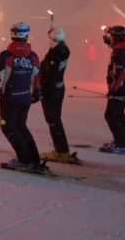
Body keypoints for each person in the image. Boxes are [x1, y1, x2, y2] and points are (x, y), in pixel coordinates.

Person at [0, 22, 43, 170]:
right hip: (25, 97)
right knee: (21, 126)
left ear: (12, 35)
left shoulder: (6, 55)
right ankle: (33, 158)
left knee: (9, 128)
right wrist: (37, 90)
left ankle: (25, 160)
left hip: (10, 98)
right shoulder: (33, 55)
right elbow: (37, 75)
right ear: (26, 35)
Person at [39, 27, 74, 163]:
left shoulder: (54, 55)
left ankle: (61, 151)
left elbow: (49, 76)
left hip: (51, 90)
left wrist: (41, 87)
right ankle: (62, 149)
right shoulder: (63, 49)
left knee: (53, 120)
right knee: (55, 120)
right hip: (59, 88)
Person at [100, 25, 125, 153]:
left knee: (111, 115)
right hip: (124, 87)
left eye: (110, 36)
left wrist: (113, 89)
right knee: (118, 114)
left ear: (116, 37)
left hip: (120, 88)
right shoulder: (122, 49)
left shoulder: (120, 52)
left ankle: (122, 145)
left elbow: (121, 74)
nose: (108, 38)